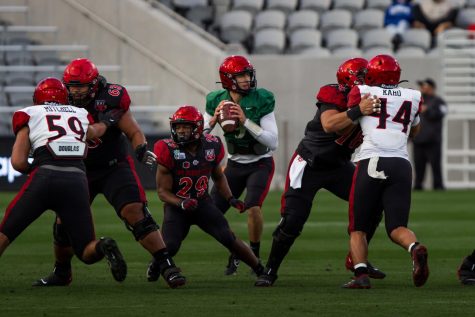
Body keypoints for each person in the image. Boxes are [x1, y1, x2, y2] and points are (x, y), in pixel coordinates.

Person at [34, 58, 186, 288]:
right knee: (63, 222)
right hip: (79, 170)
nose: (75, 91)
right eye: (71, 85)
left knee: (136, 213)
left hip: (113, 167)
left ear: (94, 84)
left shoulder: (109, 100)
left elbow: (134, 131)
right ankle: (62, 272)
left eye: (81, 86)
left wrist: (141, 148)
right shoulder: (61, 104)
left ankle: (167, 265)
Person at [255, 58, 385, 287]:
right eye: (366, 78)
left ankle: (356, 260)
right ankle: (270, 270)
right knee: (293, 221)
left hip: (339, 166)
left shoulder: (375, 100)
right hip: (309, 164)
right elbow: (329, 124)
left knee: (374, 203)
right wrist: (357, 110)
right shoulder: (333, 94)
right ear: (350, 81)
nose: (371, 83)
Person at [1, 77, 127, 284]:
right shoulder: (80, 113)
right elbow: (94, 132)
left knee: (6, 232)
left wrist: (37, 168)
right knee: (86, 250)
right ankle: (103, 245)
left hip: (45, 176)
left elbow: (17, 162)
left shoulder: (30, 113)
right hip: (77, 180)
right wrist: (107, 121)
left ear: (37, 99)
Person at [342, 54, 429, 289]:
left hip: (372, 159)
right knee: (396, 227)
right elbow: (415, 131)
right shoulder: (413, 96)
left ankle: (361, 275)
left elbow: (348, 119)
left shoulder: (361, 92)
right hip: (401, 164)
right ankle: (415, 248)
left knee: (358, 227)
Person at [153, 105, 265, 279]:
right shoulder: (167, 149)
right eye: (178, 126)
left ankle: (260, 270)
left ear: (197, 128)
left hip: (202, 203)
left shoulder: (212, 145)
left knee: (229, 238)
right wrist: (181, 202)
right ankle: (156, 265)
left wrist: (230, 198)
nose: (180, 131)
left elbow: (219, 177)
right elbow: (162, 192)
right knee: (171, 246)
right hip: (177, 207)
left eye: (185, 127)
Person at [204, 55, 278, 275]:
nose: (246, 79)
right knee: (210, 215)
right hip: (234, 164)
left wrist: (245, 120)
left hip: (260, 163)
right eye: (241, 75)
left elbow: (273, 141)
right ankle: (238, 250)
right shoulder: (216, 99)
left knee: (253, 207)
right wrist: (212, 121)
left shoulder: (262, 98)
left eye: (247, 74)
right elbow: (197, 136)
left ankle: (253, 253)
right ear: (228, 79)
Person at [412, 78, 447, 190]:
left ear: (432, 88)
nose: (422, 88)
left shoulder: (438, 101)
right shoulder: (417, 101)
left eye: (424, 86)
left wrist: (428, 110)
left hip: (433, 140)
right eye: (421, 86)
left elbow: (441, 113)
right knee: (418, 167)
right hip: (418, 140)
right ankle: (418, 186)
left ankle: (438, 186)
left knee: (436, 166)